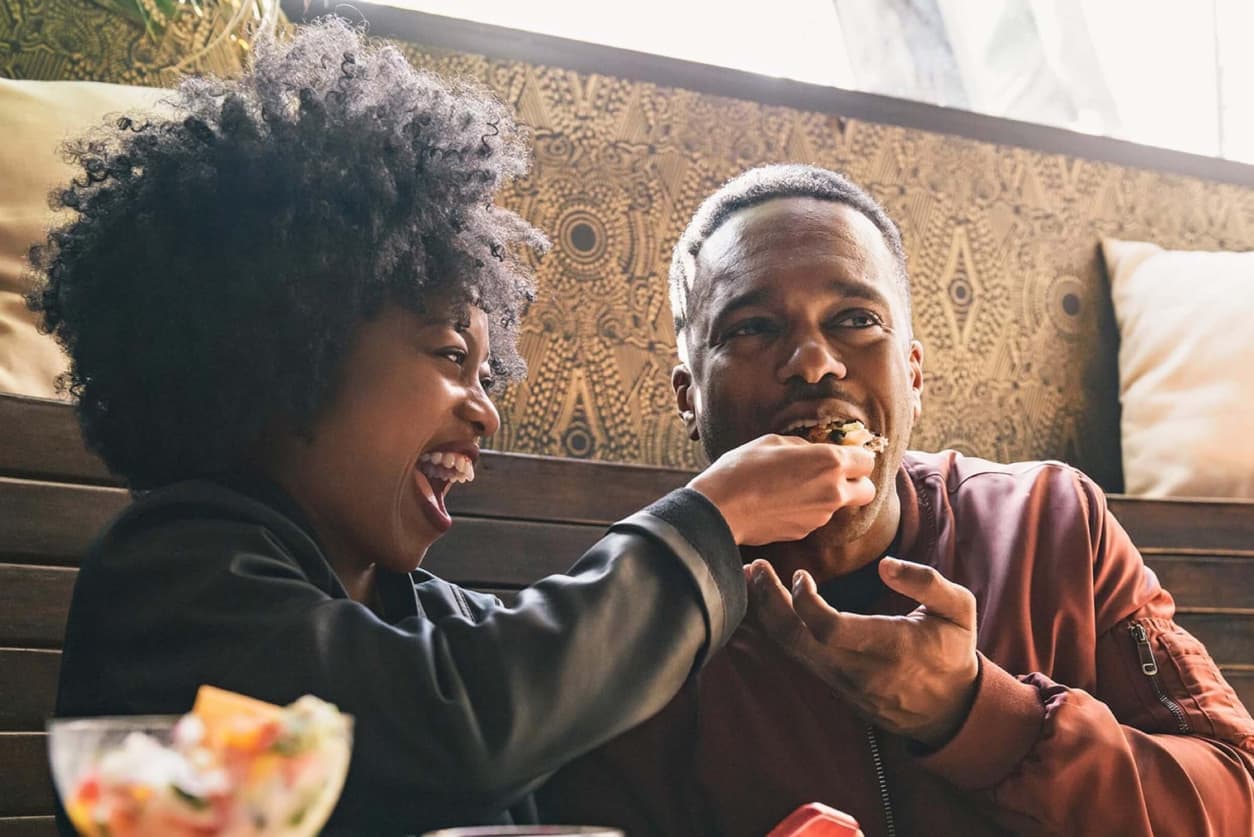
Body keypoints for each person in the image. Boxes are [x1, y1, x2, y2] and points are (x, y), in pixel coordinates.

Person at [31, 29, 878, 835]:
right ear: (294, 346)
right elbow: (462, 724)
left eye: (487, 373)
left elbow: (532, 688)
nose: (486, 409)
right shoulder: (172, 578)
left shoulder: (425, 613)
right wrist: (710, 518)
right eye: (448, 353)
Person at [539, 164, 1254, 836]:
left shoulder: (1054, 523)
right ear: (689, 398)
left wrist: (978, 714)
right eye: (752, 327)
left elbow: (1236, 794)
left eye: (855, 318)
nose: (814, 361)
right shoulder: (634, 613)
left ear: (912, 373)